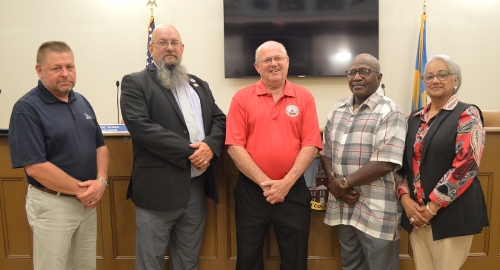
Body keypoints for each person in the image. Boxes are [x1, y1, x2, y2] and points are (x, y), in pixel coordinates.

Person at [120, 24, 226, 270]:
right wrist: (193, 152)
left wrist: (209, 147)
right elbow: (141, 127)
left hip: (195, 190)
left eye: (174, 42)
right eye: (162, 42)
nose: (170, 47)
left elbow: (220, 119)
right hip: (157, 191)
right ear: (151, 48)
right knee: (150, 263)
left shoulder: (199, 84)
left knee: (188, 262)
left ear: (182, 48)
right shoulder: (136, 82)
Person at [8, 41, 109, 270]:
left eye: (70, 67)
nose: (65, 74)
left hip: (87, 203)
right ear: (39, 70)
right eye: (57, 68)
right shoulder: (27, 108)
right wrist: (83, 190)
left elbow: (100, 146)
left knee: (84, 266)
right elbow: (35, 166)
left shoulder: (81, 101)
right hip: (53, 204)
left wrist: (101, 182)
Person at [225, 40, 322, 270]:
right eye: (267, 60)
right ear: (257, 66)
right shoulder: (241, 98)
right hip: (251, 192)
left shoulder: (304, 97)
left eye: (278, 58)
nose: (274, 64)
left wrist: (285, 184)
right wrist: (266, 184)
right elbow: (234, 146)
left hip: (293, 190)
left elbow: (311, 144)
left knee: (295, 259)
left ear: (288, 62)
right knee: (248, 258)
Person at [396, 54, 488, 270]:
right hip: (416, 216)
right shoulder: (414, 118)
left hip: (450, 216)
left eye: (442, 75)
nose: (434, 80)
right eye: (429, 77)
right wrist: (406, 201)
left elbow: (466, 165)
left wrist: (431, 208)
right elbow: (401, 166)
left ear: (455, 80)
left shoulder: (467, 114)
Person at [320, 53, 407, 270]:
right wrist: (335, 183)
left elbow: (386, 161)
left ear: (379, 77)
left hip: (376, 208)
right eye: (352, 72)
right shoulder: (338, 108)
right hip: (344, 205)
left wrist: (342, 184)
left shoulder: (390, 111)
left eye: (364, 72)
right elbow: (326, 150)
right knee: (351, 266)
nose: (356, 77)